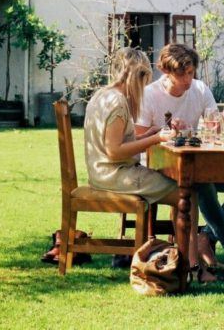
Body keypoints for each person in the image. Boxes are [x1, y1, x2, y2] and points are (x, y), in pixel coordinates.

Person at [84, 47, 216, 282]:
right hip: (114, 174)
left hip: (101, 172)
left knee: (182, 189)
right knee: (187, 193)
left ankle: (184, 259)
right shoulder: (118, 103)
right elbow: (114, 152)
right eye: (145, 78)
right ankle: (193, 266)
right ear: (139, 75)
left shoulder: (103, 95)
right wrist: (155, 139)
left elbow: (116, 143)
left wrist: (153, 131)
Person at [135, 43, 224, 276]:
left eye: (191, 72)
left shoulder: (200, 90)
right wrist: (164, 130)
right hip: (161, 166)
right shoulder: (150, 95)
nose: (187, 79)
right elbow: (138, 138)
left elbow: (217, 127)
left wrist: (210, 130)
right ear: (165, 70)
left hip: (201, 162)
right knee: (201, 184)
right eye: (181, 74)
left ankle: (206, 237)